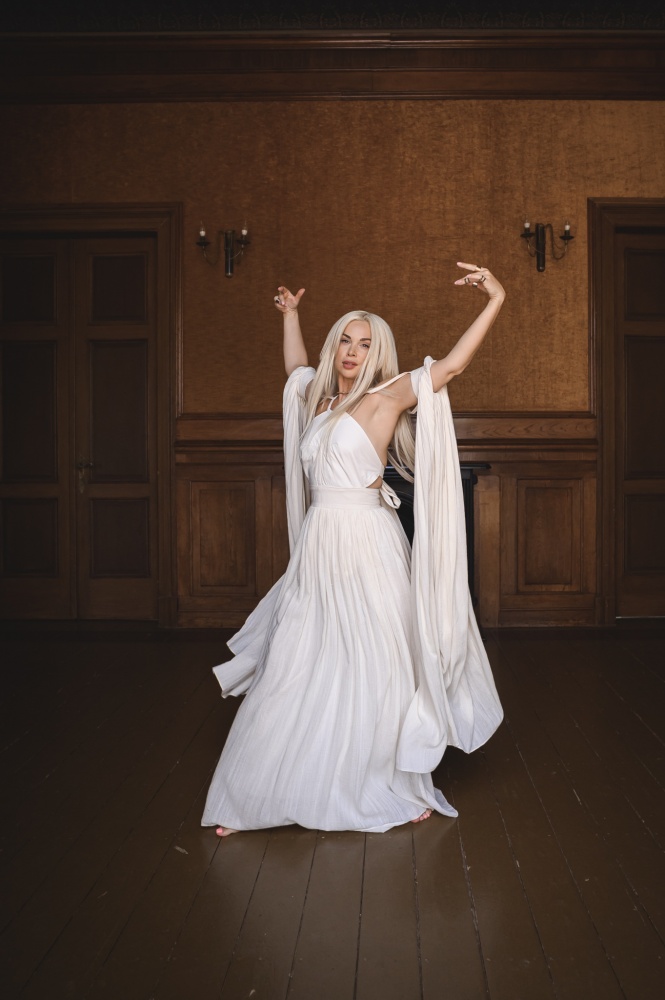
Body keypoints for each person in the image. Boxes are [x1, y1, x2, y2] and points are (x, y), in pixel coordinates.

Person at [202, 262, 505, 837]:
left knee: (375, 661)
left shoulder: (385, 398)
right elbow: (295, 370)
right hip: (319, 546)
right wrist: (291, 315)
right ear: (334, 346)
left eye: (365, 344)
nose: (352, 352)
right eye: (345, 340)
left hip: (368, 544)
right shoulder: (316, 401)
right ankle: (255, 796)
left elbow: (450, 367)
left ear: (377, 354)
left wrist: (495, 299)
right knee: (294, 661)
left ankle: (386, 783)